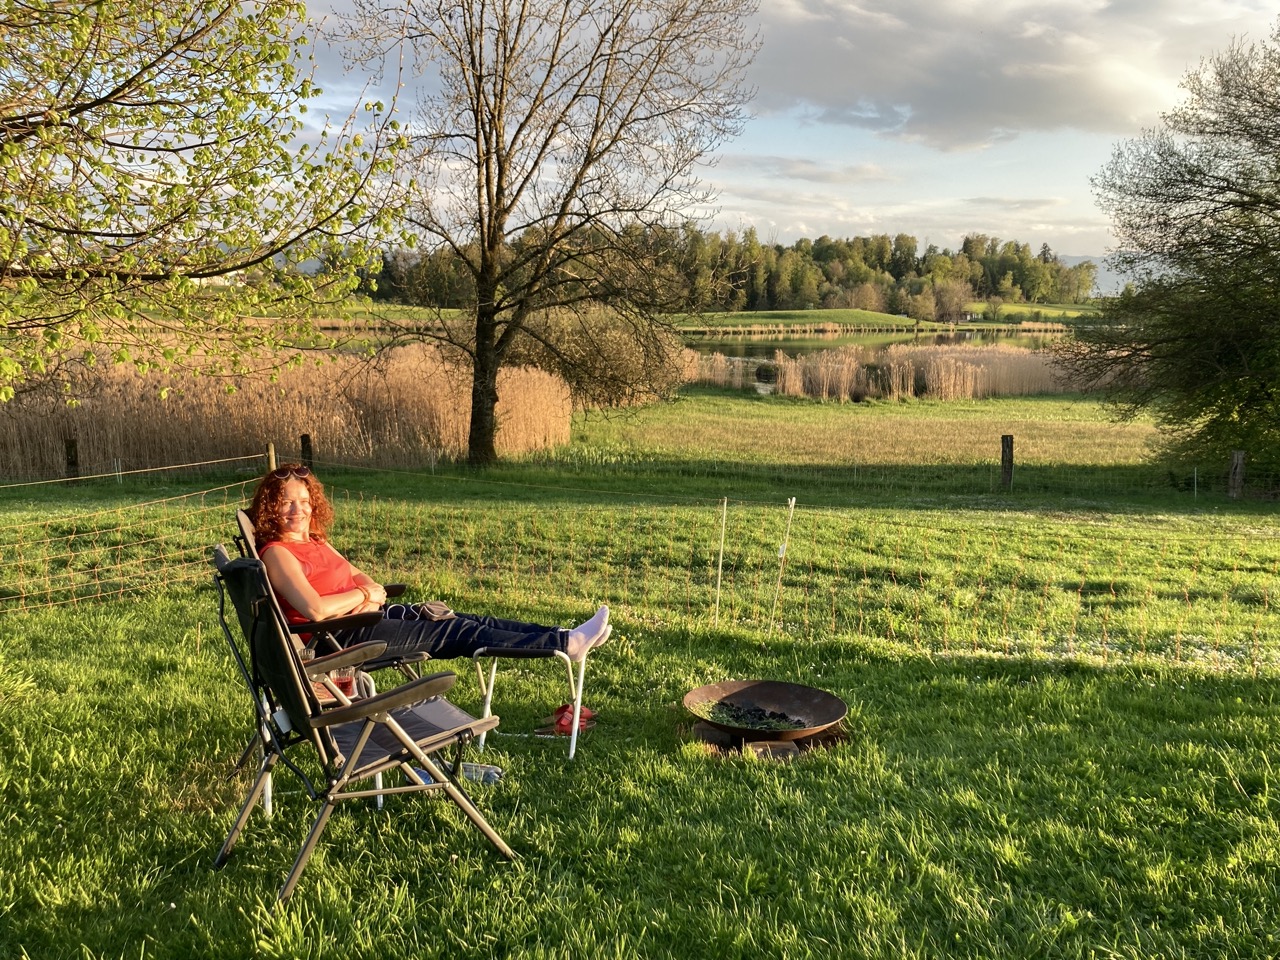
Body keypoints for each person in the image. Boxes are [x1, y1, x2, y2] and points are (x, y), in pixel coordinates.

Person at [249, 463, 611, 662]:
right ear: (271, 508)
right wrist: (365, 596)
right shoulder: (278, 553)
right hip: (339, 640)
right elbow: (314, 610)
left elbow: (360, 576)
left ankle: (564, 636)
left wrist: (370, 595)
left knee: (467, 619)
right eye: (287, 502)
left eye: (304, 501)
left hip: (365, 618)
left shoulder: (315, 541)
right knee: (456, 632)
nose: (298, 510)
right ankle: (565, 645)